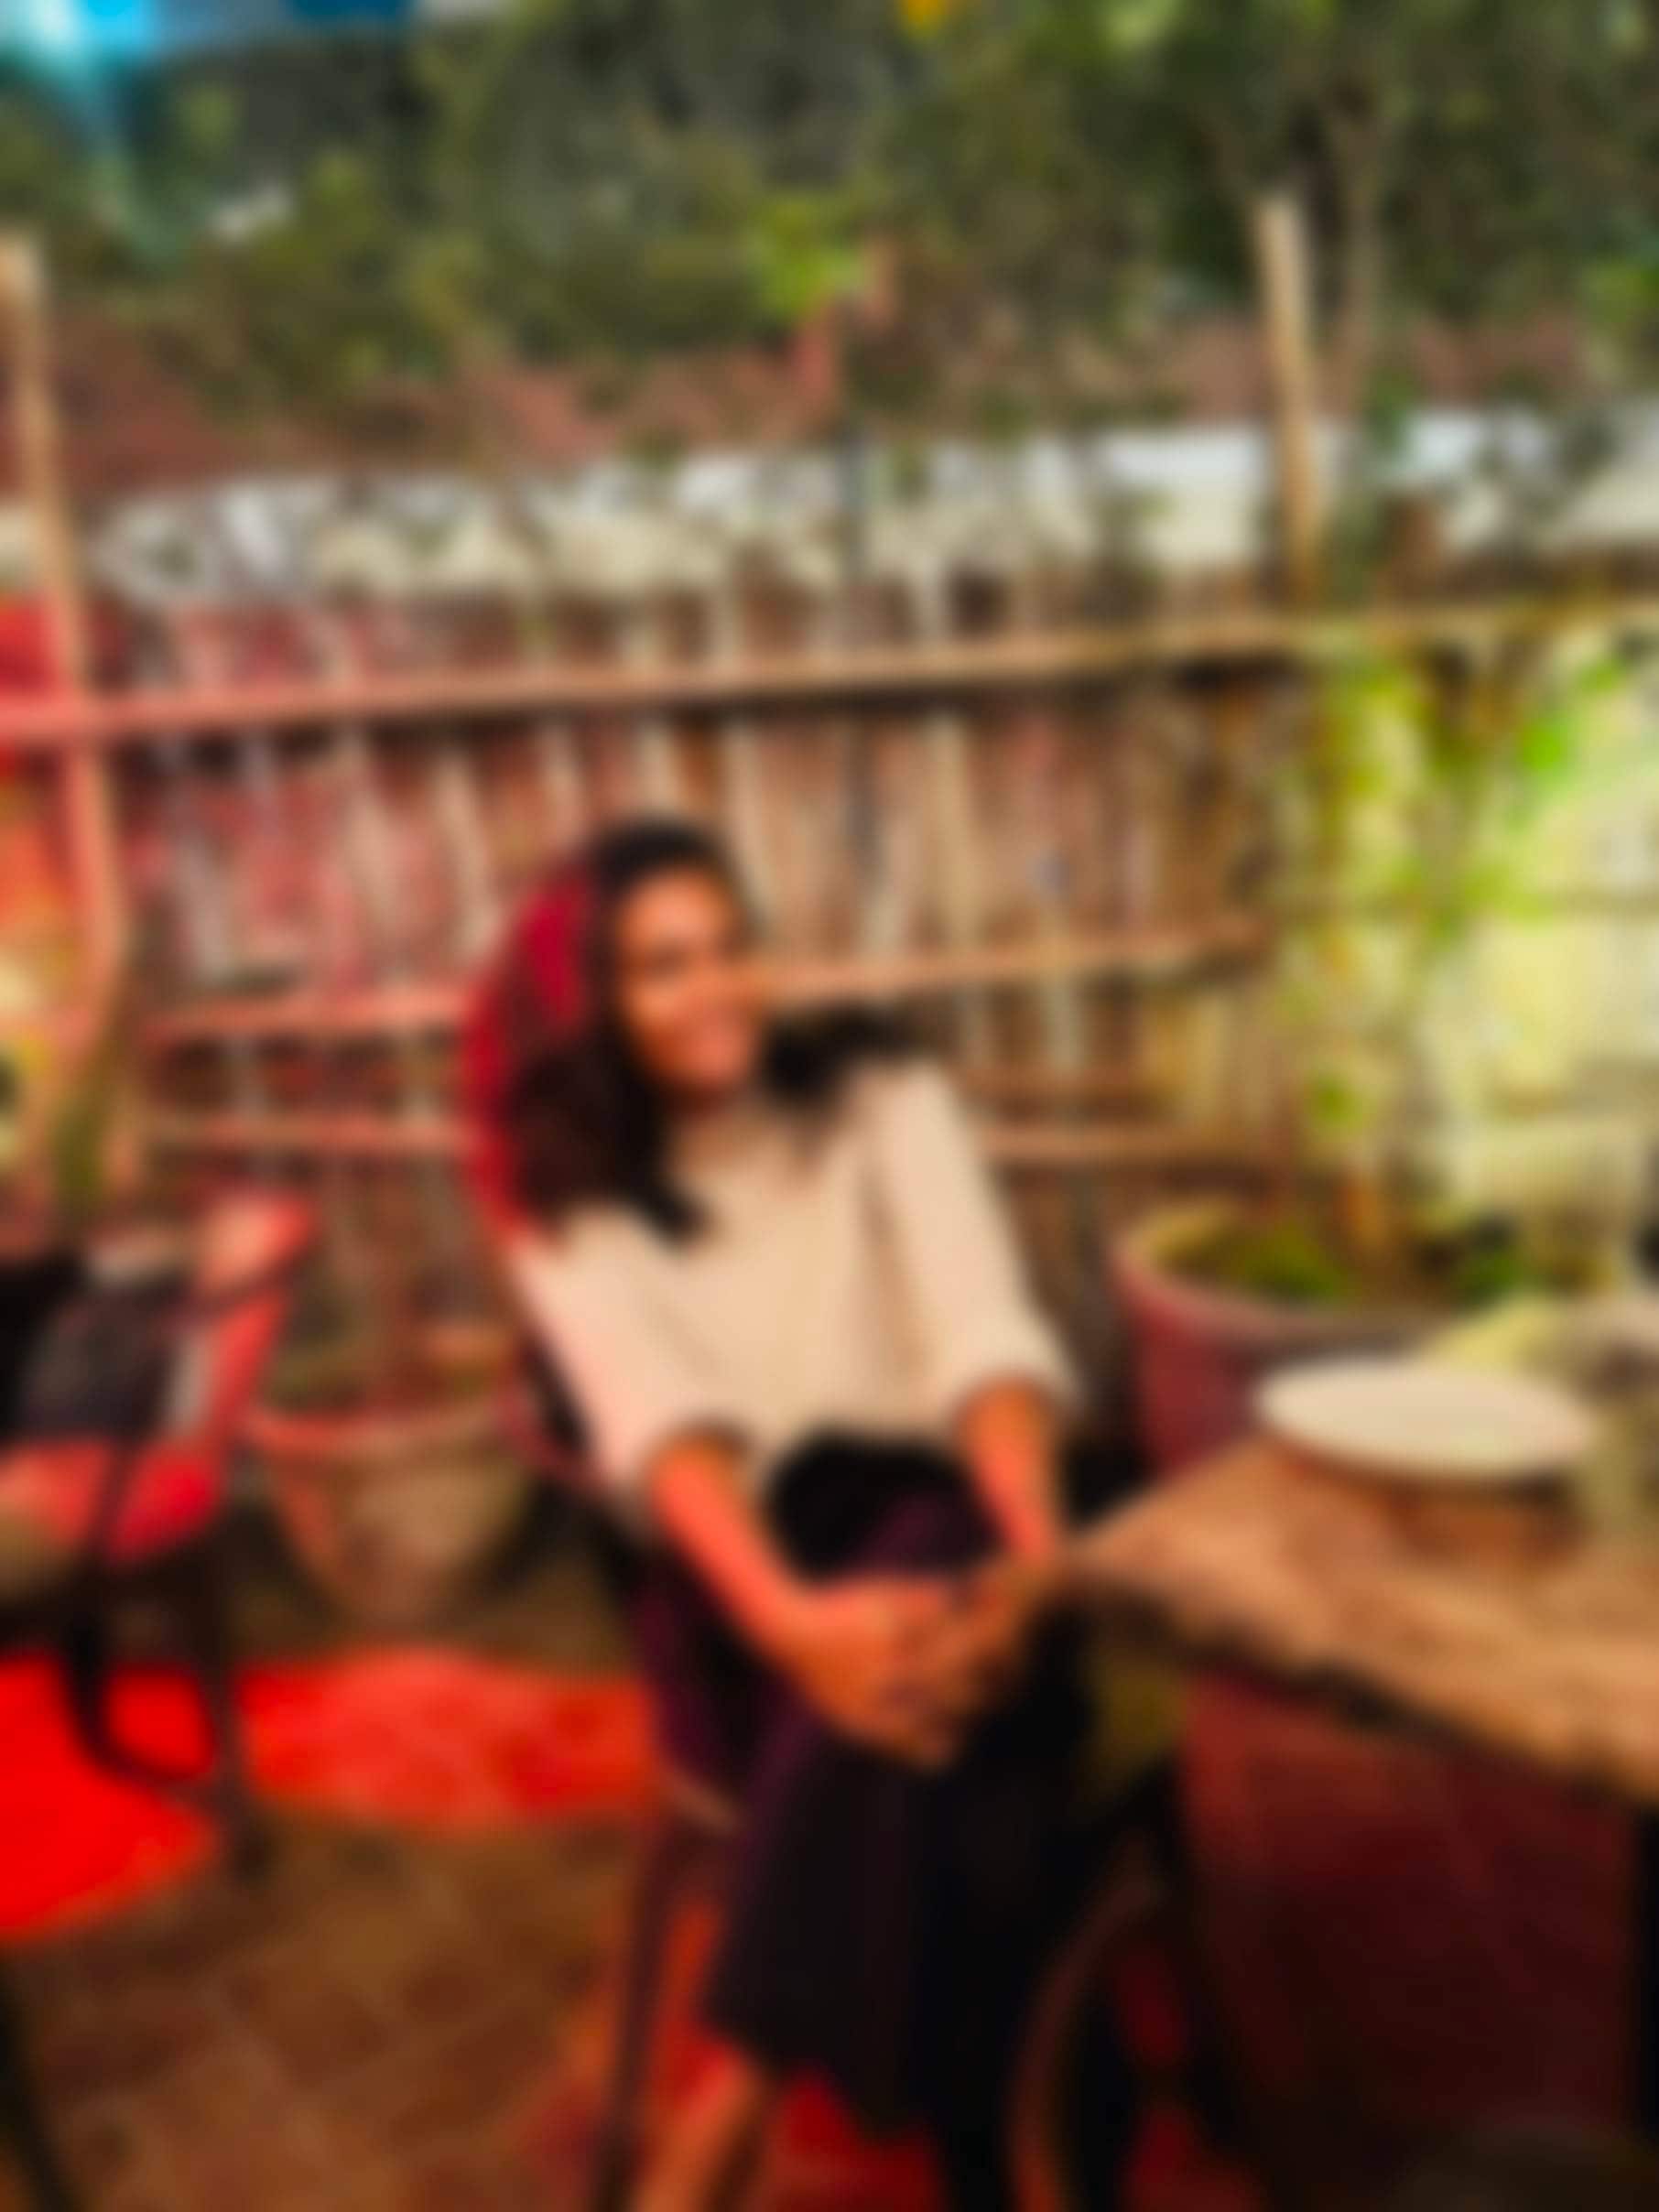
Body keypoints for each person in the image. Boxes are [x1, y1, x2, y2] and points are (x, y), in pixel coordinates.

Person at [467, 819, 1129, 2212]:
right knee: (974, 1755)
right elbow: (669, 1432)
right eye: (662, 966)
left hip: (953, 1517)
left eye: (731, 948)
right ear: (593, 1003)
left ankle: (731, 2101)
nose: (715, 988)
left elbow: (980, 1330)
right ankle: (1029, 2153)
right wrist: (788, 1624)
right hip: (742, 1578)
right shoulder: (564, 1195)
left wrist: (1037, 1563)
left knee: (936, 1580)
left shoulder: (880, 1095)